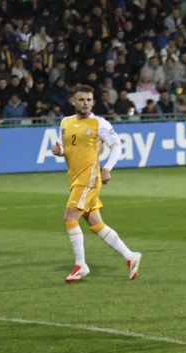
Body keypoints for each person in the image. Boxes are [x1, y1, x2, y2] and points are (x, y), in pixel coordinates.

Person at [51, 84, 142, 283]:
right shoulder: (65, 122)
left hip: (89, 179)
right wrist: (59, 151)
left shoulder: (99, 123)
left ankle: (80, 264)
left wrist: (107, 167)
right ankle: (130, 256)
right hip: (74, 179)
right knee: (96, 223)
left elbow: (116, 146)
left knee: (69, 218)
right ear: (73, 101)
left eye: (89, 100)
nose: (86, 103)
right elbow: (65, 147)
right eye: (82, 100)